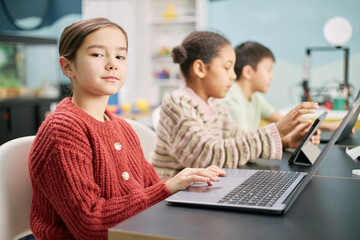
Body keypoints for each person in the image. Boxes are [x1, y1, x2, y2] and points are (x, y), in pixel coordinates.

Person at [28, 18, 225, 240]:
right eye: (97, 54)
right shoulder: (62, 130)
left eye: (120, 56)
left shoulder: (122, 127)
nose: (112, 63)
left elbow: (152, 186)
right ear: (68, 66)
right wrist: (168, 188)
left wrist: (189, 186)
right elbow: (90, 225)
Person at [151, 31, 318, 180]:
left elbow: (240, 142)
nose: (233, 75)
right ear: (200, 68)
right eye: (227, 67)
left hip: (202, 190)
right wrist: (277, 130)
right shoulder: (176, 104)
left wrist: (286, 141)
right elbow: (207, 157)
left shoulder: (215, 107)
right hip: (175, 199)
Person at [221, 41, 338, 132]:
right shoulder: (232, 101)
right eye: (268, 70)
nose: (271, 76)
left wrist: (330, 127)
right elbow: (245, 144)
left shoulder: (254, 97)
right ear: (248, 72)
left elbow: (286, 120)